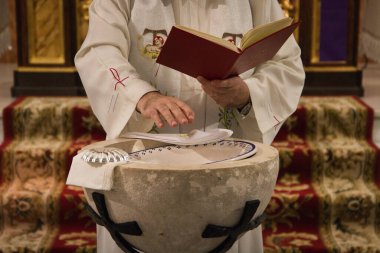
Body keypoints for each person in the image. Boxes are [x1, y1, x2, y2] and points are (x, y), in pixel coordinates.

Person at [75, 0, 305, 252]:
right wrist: (142, 96)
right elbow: (99, 51)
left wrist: (246, 93)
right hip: (141, 162)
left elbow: (286, 63)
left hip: (225, 163)